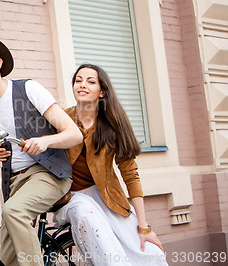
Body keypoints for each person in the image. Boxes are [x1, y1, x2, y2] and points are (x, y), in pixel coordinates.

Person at [0, 32, 83, 266]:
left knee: (13, 211)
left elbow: (74, 134)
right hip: (15, 183)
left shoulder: (28, 89)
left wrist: (45, 141)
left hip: (49, 173)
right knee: (10, 255)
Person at [52, 63, 169, 265]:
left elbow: (130, 175)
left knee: (151, 254)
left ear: (102, 92)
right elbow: (31, 141)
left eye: (90, 81)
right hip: (72, 198)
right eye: (78, 80)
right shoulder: (60, 118)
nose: (82, 84)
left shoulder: (111, 124)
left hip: (107, 198)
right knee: (104, 246)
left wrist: (143, 226)